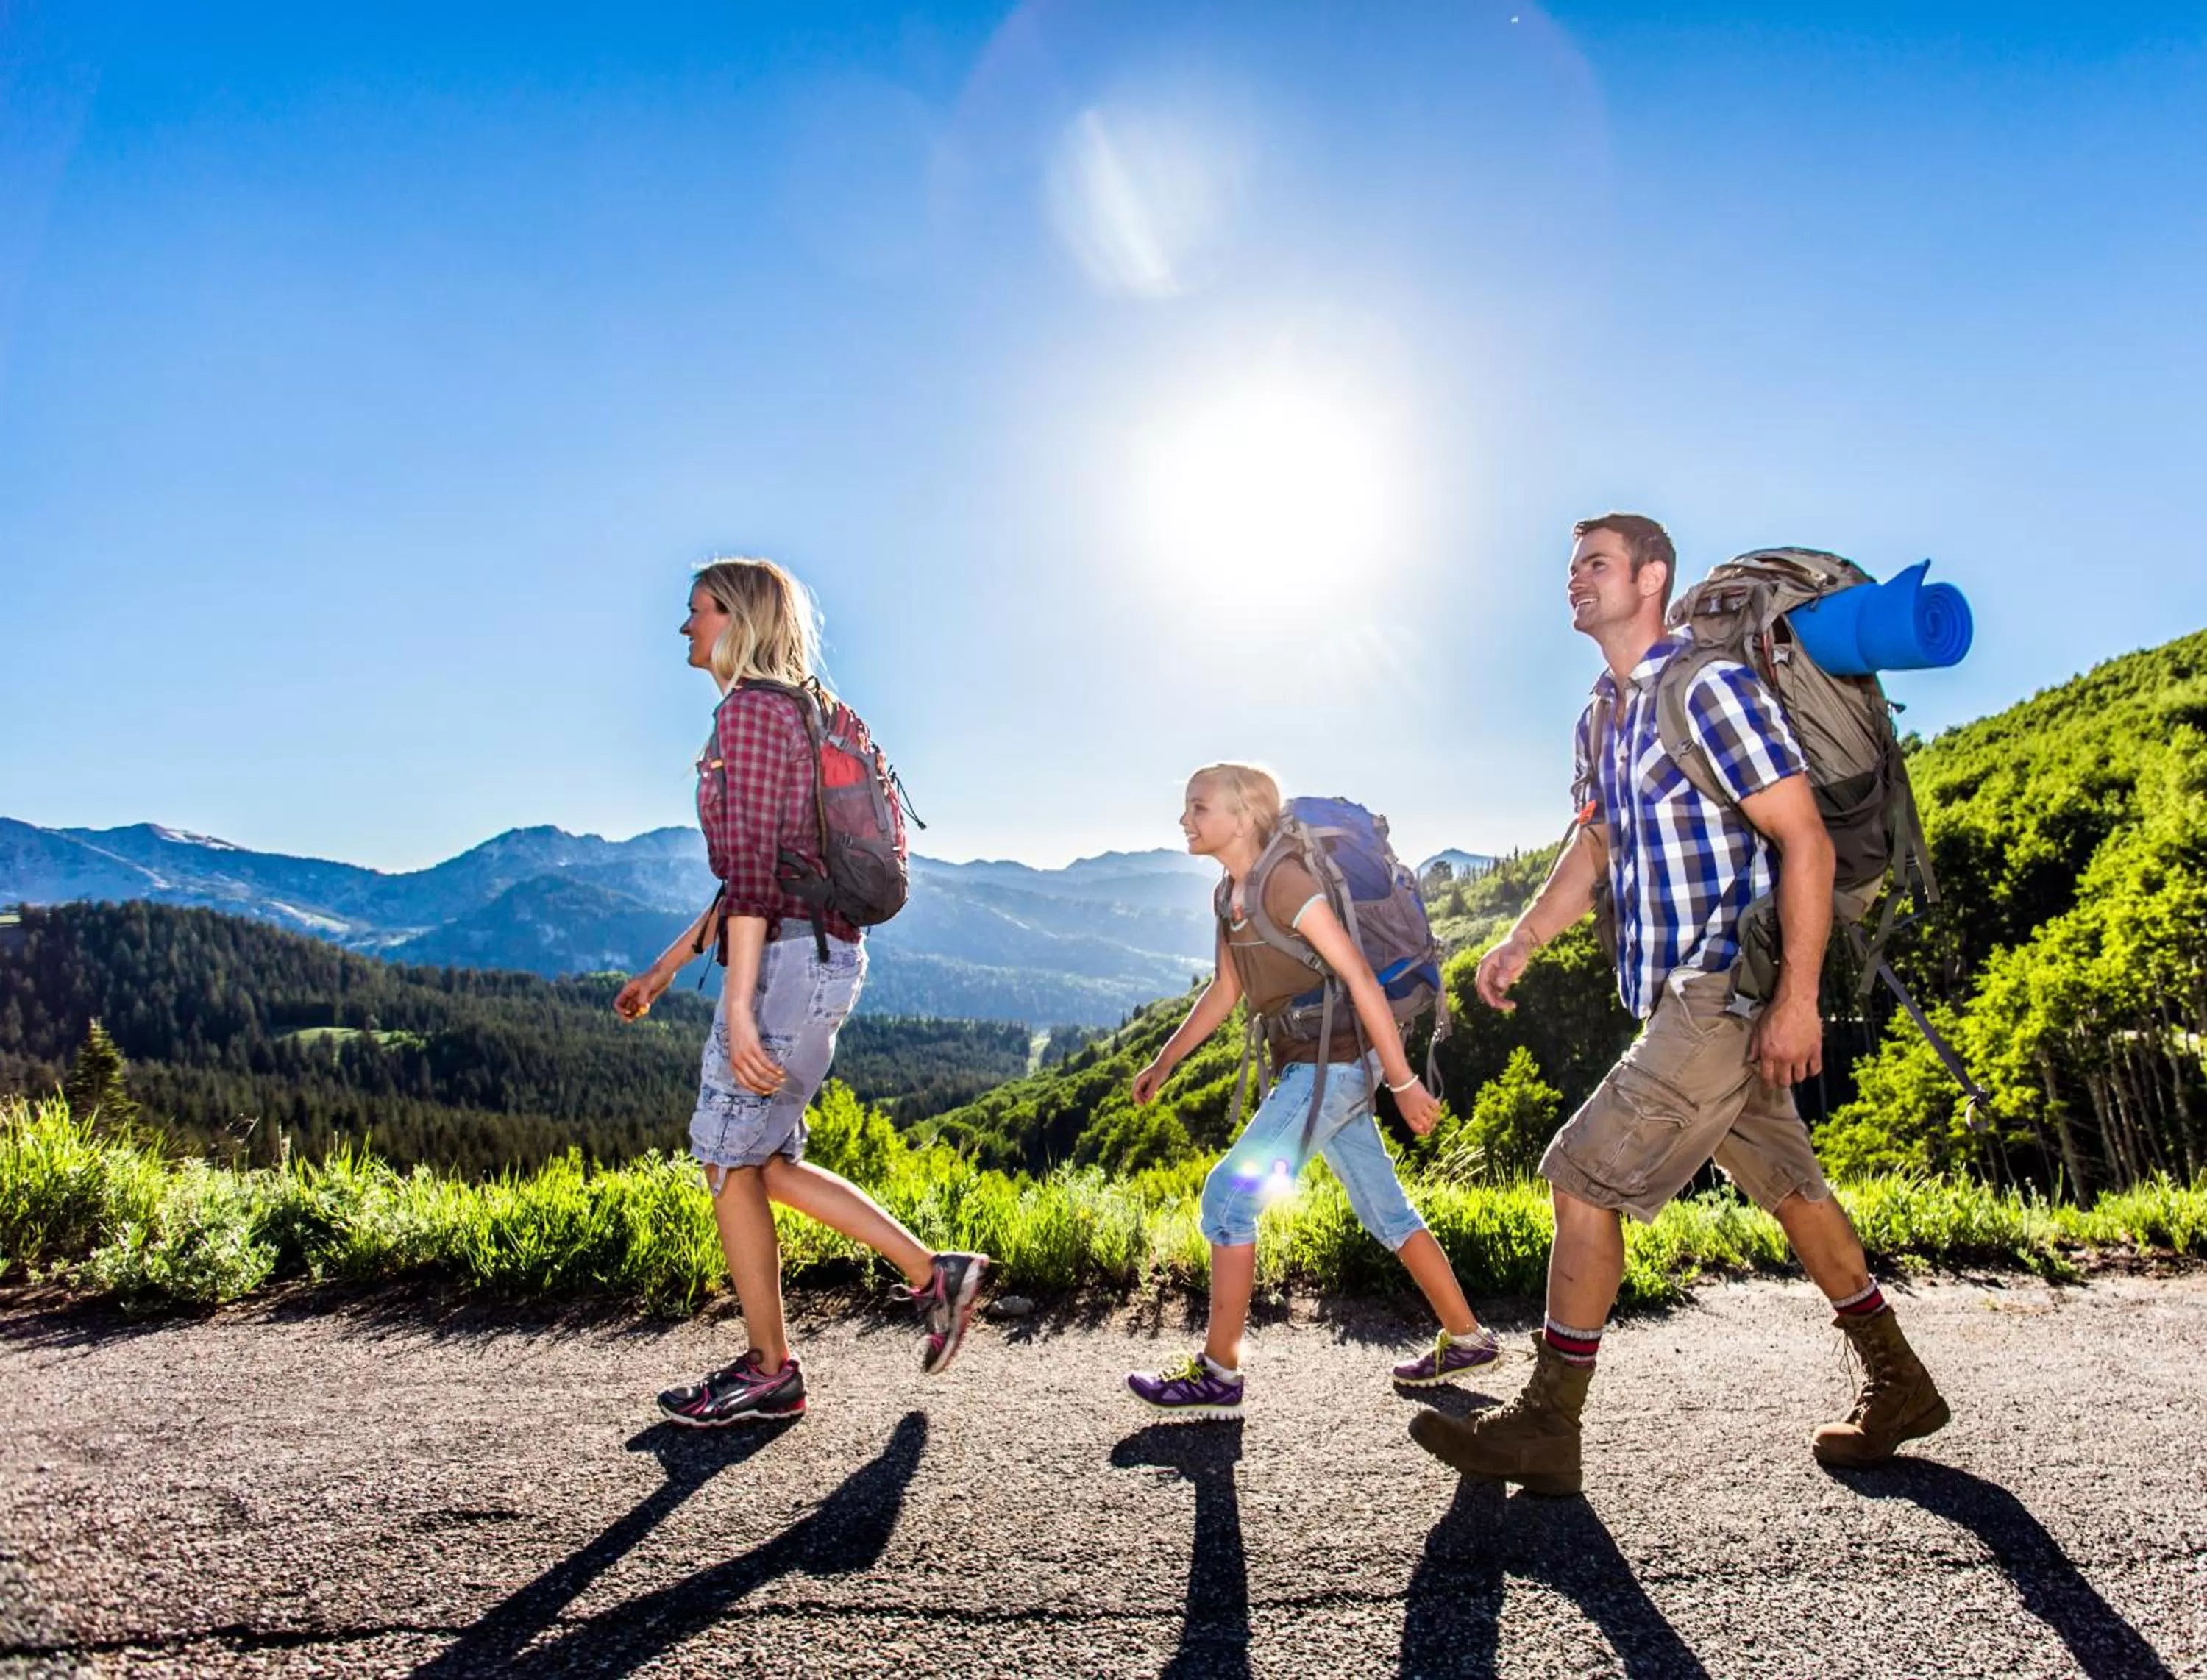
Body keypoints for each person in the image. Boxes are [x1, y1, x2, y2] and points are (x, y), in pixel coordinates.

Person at [1408, 513, 1949, 1495]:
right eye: (1571, 566)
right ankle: (1899, 1384)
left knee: (1576, 1178)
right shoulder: (1601, 715)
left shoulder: (1709, 688)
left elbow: (1805, 843)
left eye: (1597, 565)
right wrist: (1525, 938)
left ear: (1652, 577)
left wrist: (1797, 1001)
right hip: (1676, 999)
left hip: (1722, 993)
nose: (1575, 580)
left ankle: (1547, 1424)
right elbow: (1599, 845)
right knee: (1795, 1192)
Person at [615, 557, 987, 1426]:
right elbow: (765, 872)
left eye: (697, 610)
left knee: (729, 1160)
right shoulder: (803, 707)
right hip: (808, 956)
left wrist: (738, 1003)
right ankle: (933, 1275)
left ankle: (771, 1369)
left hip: (783, 966)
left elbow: (750, 875)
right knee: (760, 1161)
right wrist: (668, 969)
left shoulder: (747, 713)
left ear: (736, 618)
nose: (685, 627)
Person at [1123, 763, 1498, 1420]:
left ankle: (1218, 1374)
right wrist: (1165, 1060)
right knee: (1388, 1213)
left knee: (1228, 1199)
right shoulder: (1229, 894)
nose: (1185, 819)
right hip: (1318, 1063)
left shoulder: (1287, 882)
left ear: (1242, 816)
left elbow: (1359, 976)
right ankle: (1467, 1339)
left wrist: (1403, 1082)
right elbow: (1226, 993)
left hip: (1341, 1065)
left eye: (1198, 807)